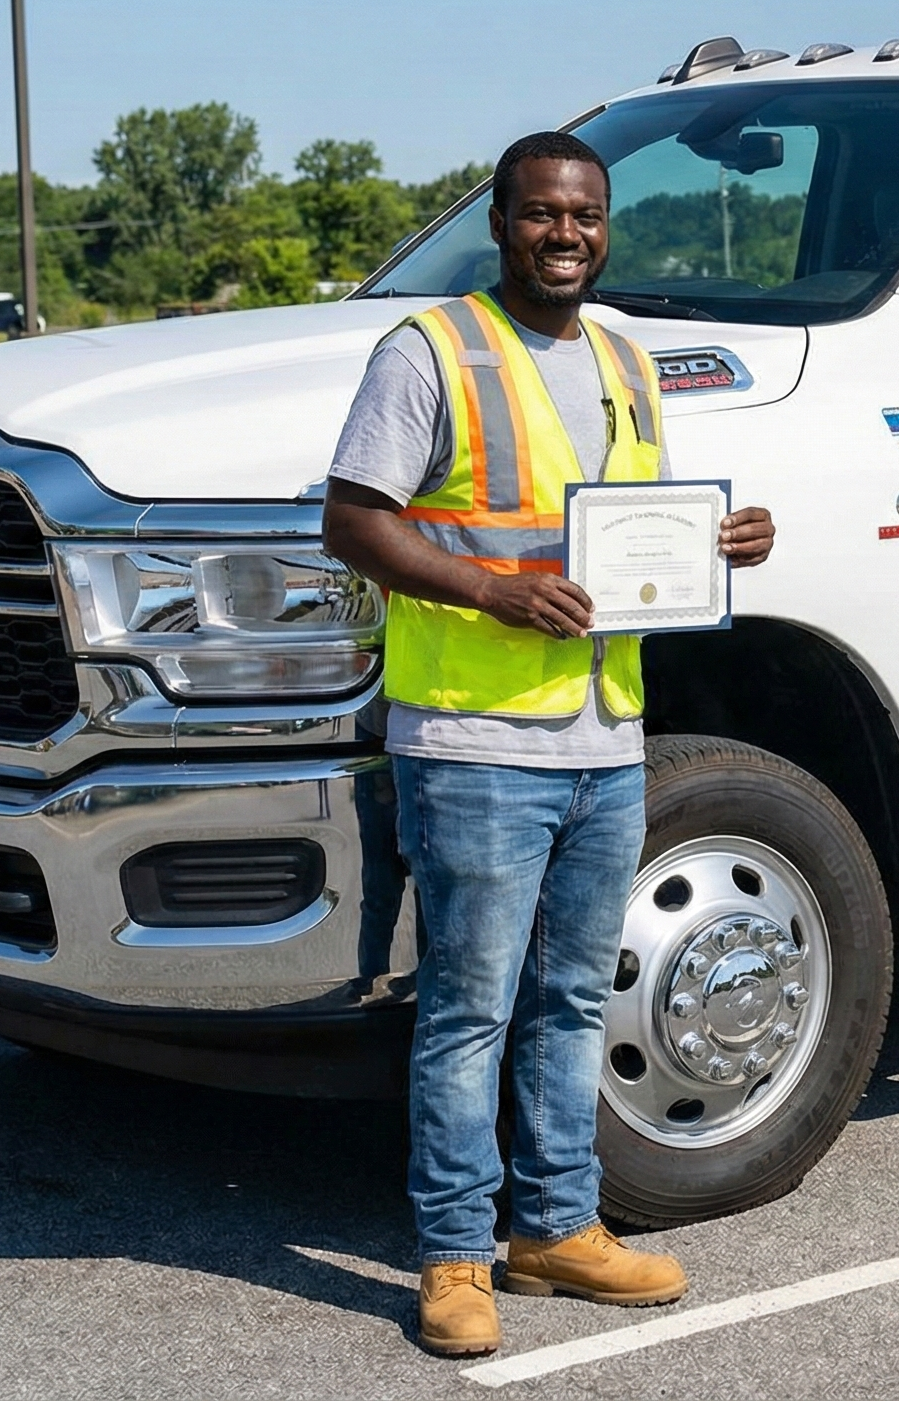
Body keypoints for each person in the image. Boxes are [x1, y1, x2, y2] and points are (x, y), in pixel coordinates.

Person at [322, 131, 776, 1357]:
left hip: (603, 735)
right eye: (538, 214)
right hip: (472, 742)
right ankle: (453, 1257)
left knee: (571, 1001)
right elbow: (352, 523)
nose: (563, 234)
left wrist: (719, 545)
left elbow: (633, 531)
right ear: (500, 220)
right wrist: (487, 593)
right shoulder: (430, 351)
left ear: (605, 224)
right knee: (469, 1008)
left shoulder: (627, 354)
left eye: (583, 214)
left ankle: (557, 1230)